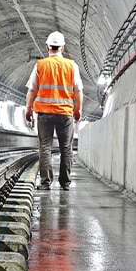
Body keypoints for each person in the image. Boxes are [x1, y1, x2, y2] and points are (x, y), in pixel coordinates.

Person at [24, 31, 83, 190]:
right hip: (65, 113)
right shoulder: (72, 66)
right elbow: (78, 90)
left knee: (45, 147)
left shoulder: (40, 65)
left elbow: (32, 90)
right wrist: (78, 109)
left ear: (47, 47)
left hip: (44, 114)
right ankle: (65, 182)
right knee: (66, 148)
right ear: (62, 48)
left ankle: (45, 182)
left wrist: (28, 109)